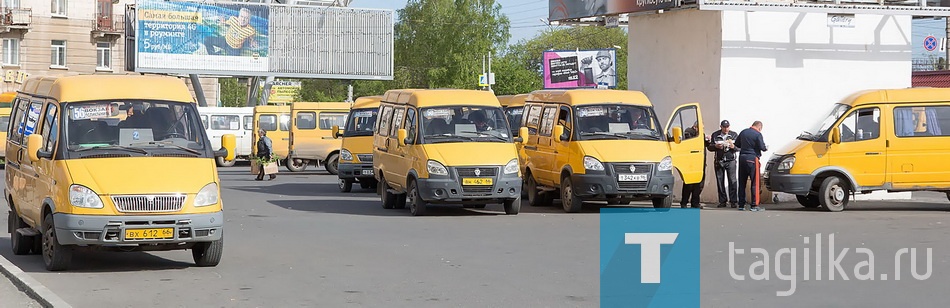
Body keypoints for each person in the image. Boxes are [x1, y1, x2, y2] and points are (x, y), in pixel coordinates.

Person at [736, 121, 768, 212]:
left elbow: (737, 144)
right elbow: (762, 147)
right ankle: (754, 205)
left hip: (742, 158)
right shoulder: (758, 134)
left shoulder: (743, 132)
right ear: (759, 127)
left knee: (742, 182)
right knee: (755, 183)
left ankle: (741, 204)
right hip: (752, 158)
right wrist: (765, 148)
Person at [707, 120, 739, 208]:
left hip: (731, 160)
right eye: (724, 127)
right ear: (721, 127)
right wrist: (715, 147)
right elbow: (709, 147)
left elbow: (739, 148)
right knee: (720, 181)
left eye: (727, 127)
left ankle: (733, 201)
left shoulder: (734, 135)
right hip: (719, 160)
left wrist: (733, 147)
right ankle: (722, 201)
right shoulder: (715, 135)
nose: (726, 129)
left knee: (732, 181)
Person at [680, 121, 708, 209]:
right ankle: (684, 202)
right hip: (691, 163)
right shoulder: (689, 132)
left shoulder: (701, 135)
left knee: (699, 185)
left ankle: (695, 202)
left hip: (700, 163)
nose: (702, 130)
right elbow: (689, 142)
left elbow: (706, 146)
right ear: (695, 127)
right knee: (688, 184)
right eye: (701, 128)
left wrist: (707, 140)